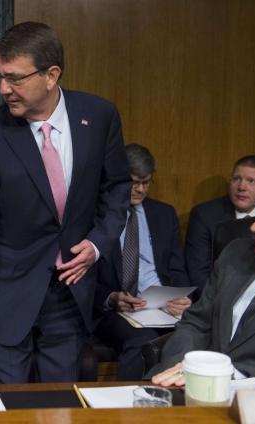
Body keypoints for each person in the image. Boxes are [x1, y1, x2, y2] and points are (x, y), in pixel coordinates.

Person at [0, 22, 132, 384]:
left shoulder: (100, 116)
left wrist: (96, 244)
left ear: (51, 75)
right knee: (8, 407)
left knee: (60, 404)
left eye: (14, 78)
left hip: (71, 292)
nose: (3, 89)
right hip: (7, 292)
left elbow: (117, 187)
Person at [151, 175, 255, 387]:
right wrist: (181, 366)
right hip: (181, 384)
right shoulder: (237, 253)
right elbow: (196, 323)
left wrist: (220, 375)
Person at [95, 144, 190, 380]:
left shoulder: (164, 214)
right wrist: (111, 299)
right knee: (141, 341)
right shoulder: (97, 215)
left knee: (193, 334)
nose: (140, 189)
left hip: (162, 305)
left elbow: (177, 269)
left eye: (146, 182)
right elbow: (87, 278)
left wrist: (181, 298)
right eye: (133, 182)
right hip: (118, 309)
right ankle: (131, 406)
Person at [185, 155, 255, 293]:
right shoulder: (205, 215)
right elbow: (198, 272)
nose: (242, 187)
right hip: (215, 296)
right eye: (237, 179)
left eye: (251, 181)